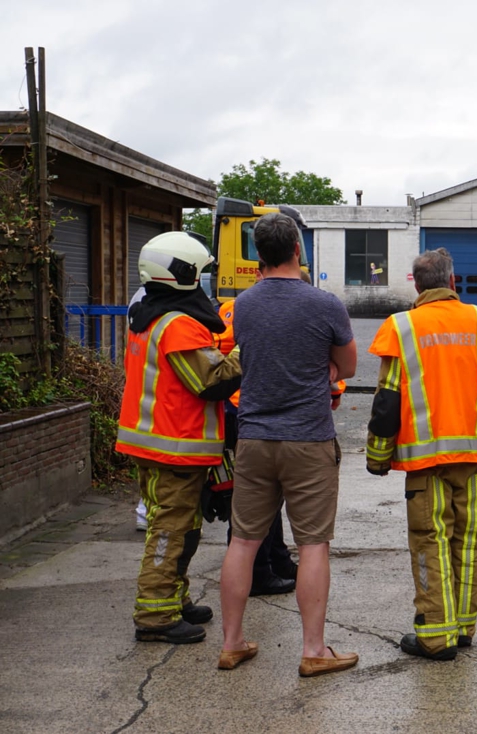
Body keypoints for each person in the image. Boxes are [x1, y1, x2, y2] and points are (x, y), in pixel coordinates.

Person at [218, 212, 359, 676]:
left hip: (255, 438)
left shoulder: (244, 306)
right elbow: (350, 367)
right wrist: (327, 368)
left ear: (259, 255)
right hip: (308, 441)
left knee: (243, 541)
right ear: (298, 249)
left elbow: (247, 357)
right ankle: (314, 650)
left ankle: (233, 642)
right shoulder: (326, 305)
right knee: (313, 544)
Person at [365, 247, 477, 661]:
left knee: (428, 542)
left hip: (426, 465)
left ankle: (436, 636)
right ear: (453, 282)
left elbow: (387, 400)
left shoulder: (401, 327)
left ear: (416, 285)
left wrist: (377, 456)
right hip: (473, 463)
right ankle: (463, 627)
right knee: (467, 543)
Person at [116, 232, 242, 644]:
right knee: (170, 530)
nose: (204, 282)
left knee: (182, 527)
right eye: (201, 273)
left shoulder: (147, 315)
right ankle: (155, 616)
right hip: (174, 447)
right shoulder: (179, 325)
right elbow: (212, 382)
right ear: (182, 274)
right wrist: (242, 352)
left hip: (154, 443)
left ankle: (173, 599)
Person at [211, 281, 297, 597]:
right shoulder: (278, 309)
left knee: (259, 495)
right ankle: (260, 572)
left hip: (234, 407)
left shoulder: (232, 308)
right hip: (254, 409)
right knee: (255, 500)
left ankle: (277, 559)